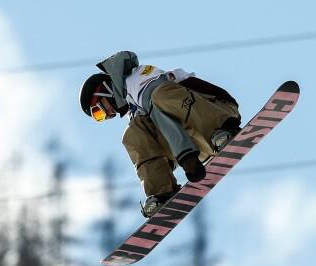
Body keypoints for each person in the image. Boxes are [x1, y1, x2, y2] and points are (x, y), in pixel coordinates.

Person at [79, 51, 242, 217]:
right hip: (198, 143)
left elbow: (160, 109)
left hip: (218, 112)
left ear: (103, 90)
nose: (108, 115)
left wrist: (187, 157)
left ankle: (221, 131)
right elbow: (156, 140)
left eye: (99, 111)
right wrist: (181, 159)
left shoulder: (137, 78)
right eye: (100, 118)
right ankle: (162, 191)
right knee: (133, 135)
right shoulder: (135, 111)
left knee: (159, 95)